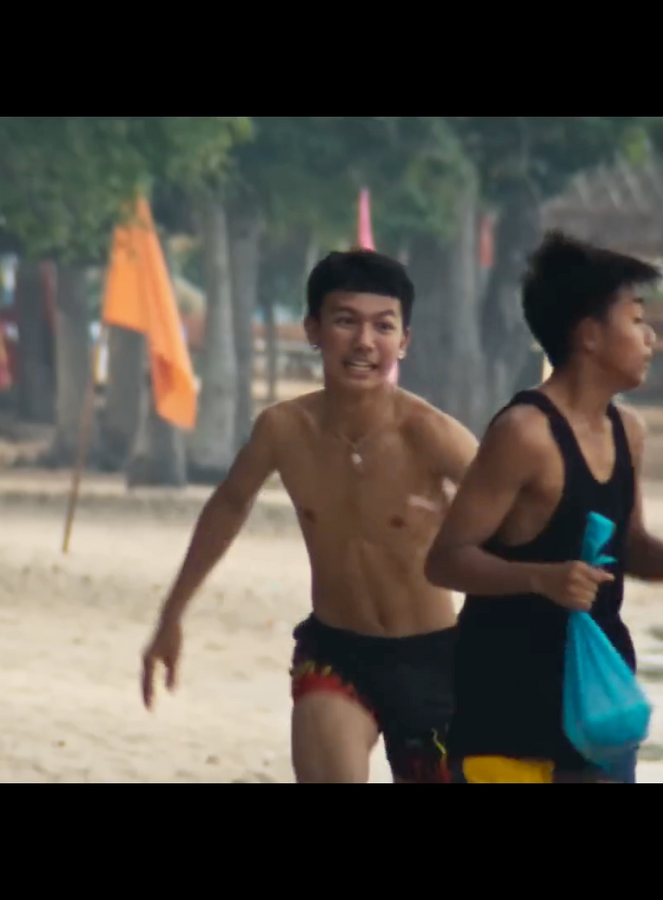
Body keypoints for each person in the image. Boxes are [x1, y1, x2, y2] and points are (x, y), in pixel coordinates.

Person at [424, 231, 663, 784]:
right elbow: (446, 559)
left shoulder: (629, 432)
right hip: (504, 707)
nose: (650, 336)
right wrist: (540, 579)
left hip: (598, 706)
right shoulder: (524, 433)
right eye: (636, 319)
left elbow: (630, 549)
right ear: (589, 336)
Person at [140, 249, 479, 784]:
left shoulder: (430, 434)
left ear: (404, 341)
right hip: (336, 653)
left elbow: (521, 515)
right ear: (313, 329)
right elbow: (229, 505)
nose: (365, 342)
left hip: (436, 660)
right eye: (346, 321)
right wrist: (171, 614)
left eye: (383, 326)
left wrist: (462, 524)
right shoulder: (284, 430)